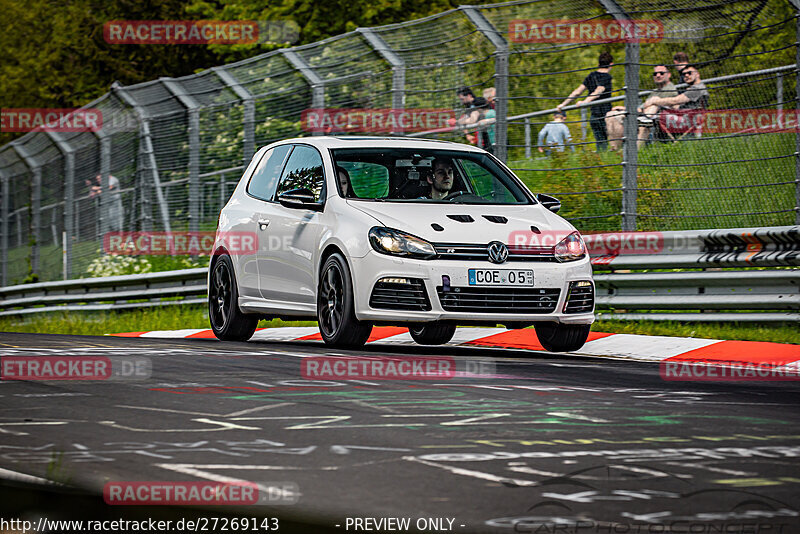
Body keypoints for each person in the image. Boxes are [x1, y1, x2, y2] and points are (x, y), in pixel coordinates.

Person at [557, 51, 613, 151]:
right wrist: (585, 102)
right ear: (611, 64)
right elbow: (599, 90)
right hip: (606, 115)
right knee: (611, 142)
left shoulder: (591, 75)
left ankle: (602, 161)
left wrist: (563, 104)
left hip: (594, 115)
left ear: (598, 64)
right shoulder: (607, 77)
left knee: (600, 143)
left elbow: (577, 92)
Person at [638, 64, 708, 139]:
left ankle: (646, 118)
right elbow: (678, 105)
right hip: (683, 116)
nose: (686, 75)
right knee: (656, 102)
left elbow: (676, 100)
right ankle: (645, 119)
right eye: (684, 74)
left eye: (689, 73)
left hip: (687, 121)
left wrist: (655, 101)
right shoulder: (693, 88)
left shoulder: (698, 88)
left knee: (656, 104)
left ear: (697, 74)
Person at [634, 65, 679, 148]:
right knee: (613, 115)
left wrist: (646, 106)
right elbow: (644, 106)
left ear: (668, 75)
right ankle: (614, 150)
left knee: (655, 101)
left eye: (661, 73)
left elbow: (656, 103)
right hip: (648, 114)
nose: (658, 75)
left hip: (667, 117)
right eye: (655, 74)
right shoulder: (654, 91)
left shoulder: (671, 88)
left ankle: (636, 151)